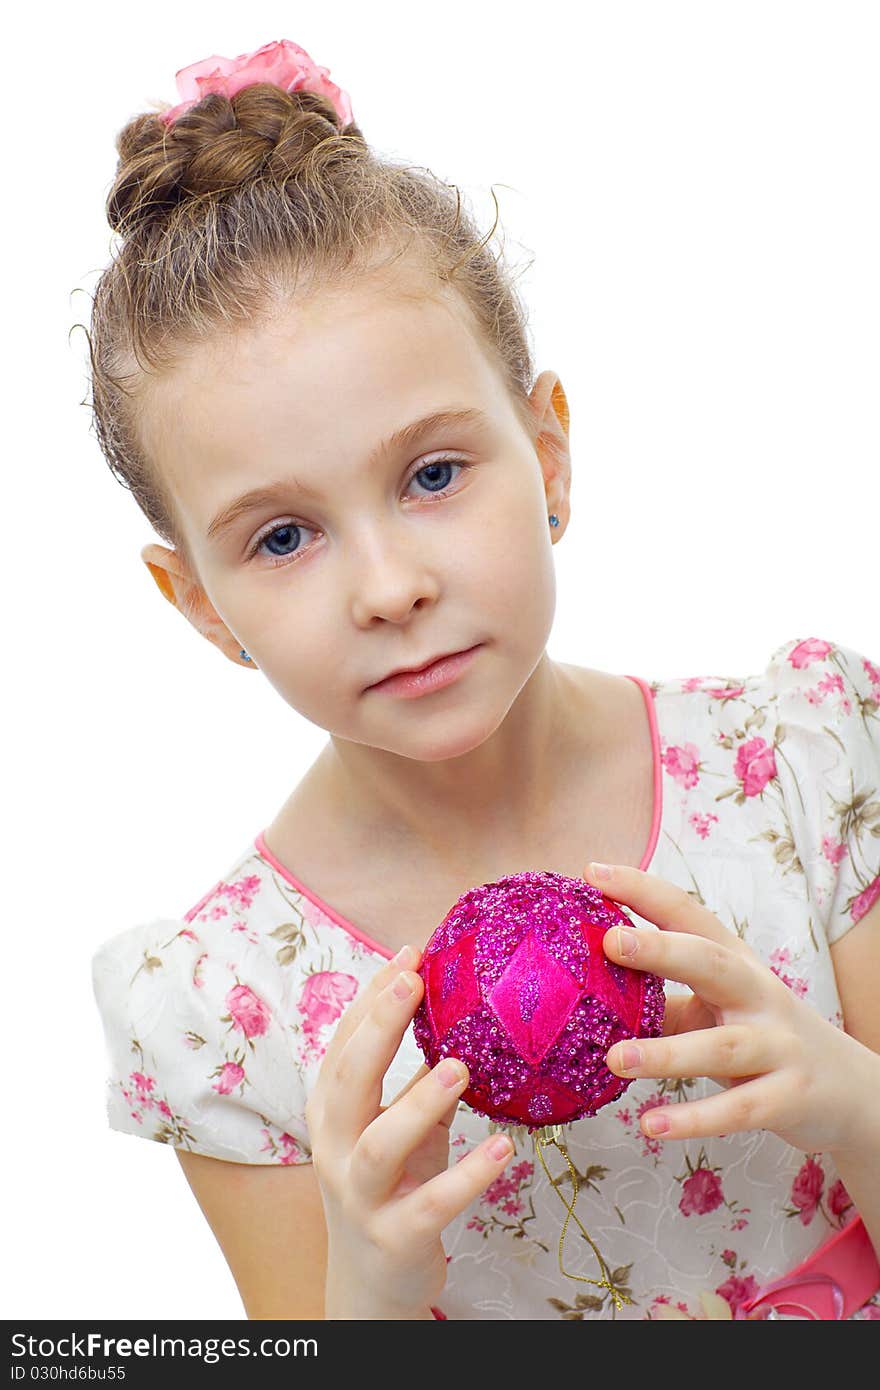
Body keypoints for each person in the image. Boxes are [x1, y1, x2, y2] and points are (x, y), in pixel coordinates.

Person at [87, 39, 880, 1321]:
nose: (389, 585)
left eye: (434, 474)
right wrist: (373, 1283)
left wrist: (849, 1100)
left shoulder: (795, 769)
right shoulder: (227, 1007)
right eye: (282, 537)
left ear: (548, 456)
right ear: (198, 603)